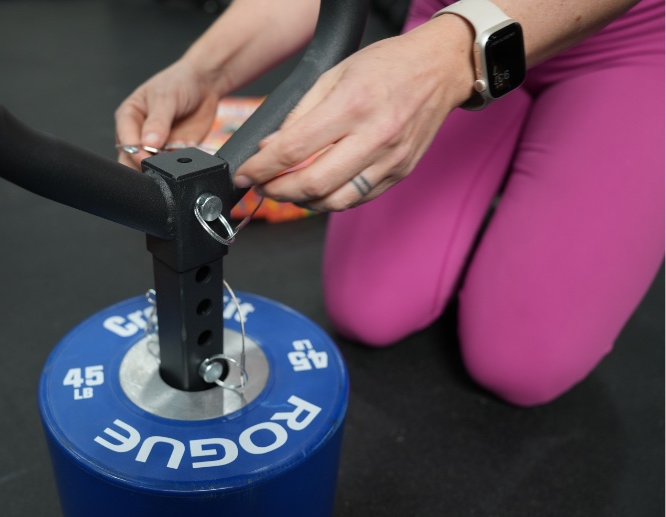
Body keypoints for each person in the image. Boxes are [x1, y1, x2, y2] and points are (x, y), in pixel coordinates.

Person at [114, 0, 665, 406]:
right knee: (368, 311)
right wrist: (204, 69)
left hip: (626, 37)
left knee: (522, 365)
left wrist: (448, 60)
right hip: (449, 13)